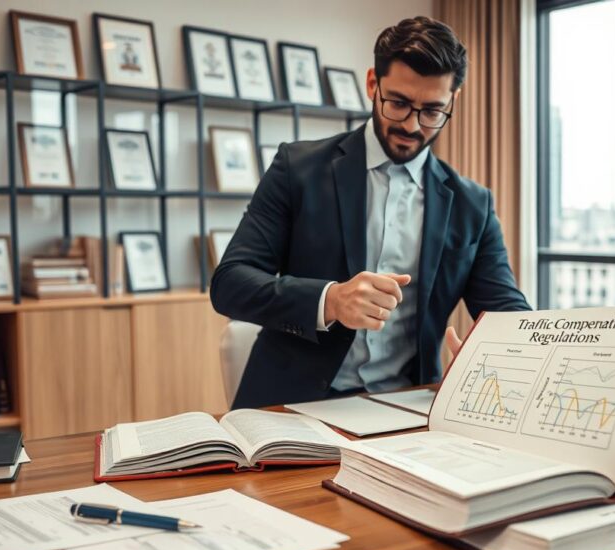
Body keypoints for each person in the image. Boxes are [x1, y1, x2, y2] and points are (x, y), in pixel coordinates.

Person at [211, 16, 530, 408]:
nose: (412, 126)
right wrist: (331, 300)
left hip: (407, 413)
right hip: (291, 408)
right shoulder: (298, 168)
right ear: (372, 85)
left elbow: (510, 317)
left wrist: (500, 353)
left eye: (432, 111)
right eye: (398, 103)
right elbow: (230, 283)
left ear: (454, 100)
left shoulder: (472, 205)